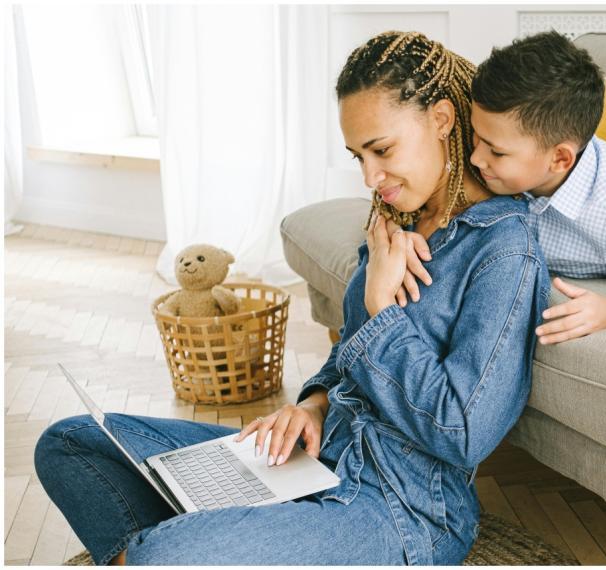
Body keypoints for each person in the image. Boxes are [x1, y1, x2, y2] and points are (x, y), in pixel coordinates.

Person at [33, 31, 549, 566]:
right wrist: (313, 404)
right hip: (312, 458)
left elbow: (463, 432)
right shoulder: (396, 221)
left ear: (442, 119)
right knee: (69, 442)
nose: (371, 177)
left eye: (382, 149)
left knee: (160, 556)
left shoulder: (504, 251)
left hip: (399, 506)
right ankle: (215, 532)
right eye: (358, 156)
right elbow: (347, 353)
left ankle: (184, 542)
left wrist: (384, 312)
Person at [396, 31, 606, 344]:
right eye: (475, 136)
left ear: (559, 160)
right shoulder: (497, 143)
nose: (476, 158)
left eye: (496, 151)